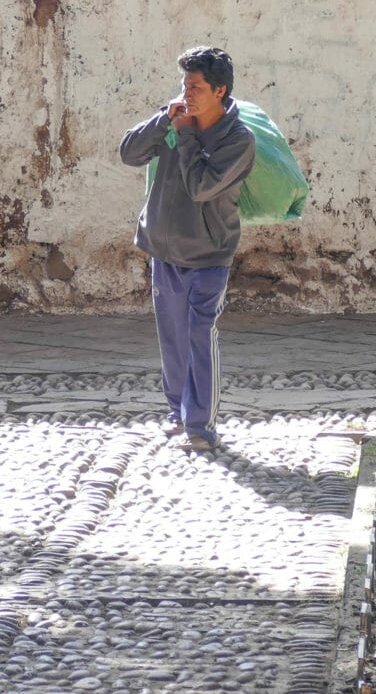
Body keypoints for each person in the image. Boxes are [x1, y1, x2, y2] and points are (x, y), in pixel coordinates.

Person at [119, 45, 257, 452]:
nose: (187, 92)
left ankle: (200, 426)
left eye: (195, 86)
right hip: (164, 250)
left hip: (208, 256)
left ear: (220, 91)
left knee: (200, 334)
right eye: (184, 83)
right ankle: (177, 413)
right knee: (173, 339)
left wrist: (185, 136)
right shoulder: (174, 121)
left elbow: (200, 187)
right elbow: (129, 153)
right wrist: (164, 120)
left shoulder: (238, 141)